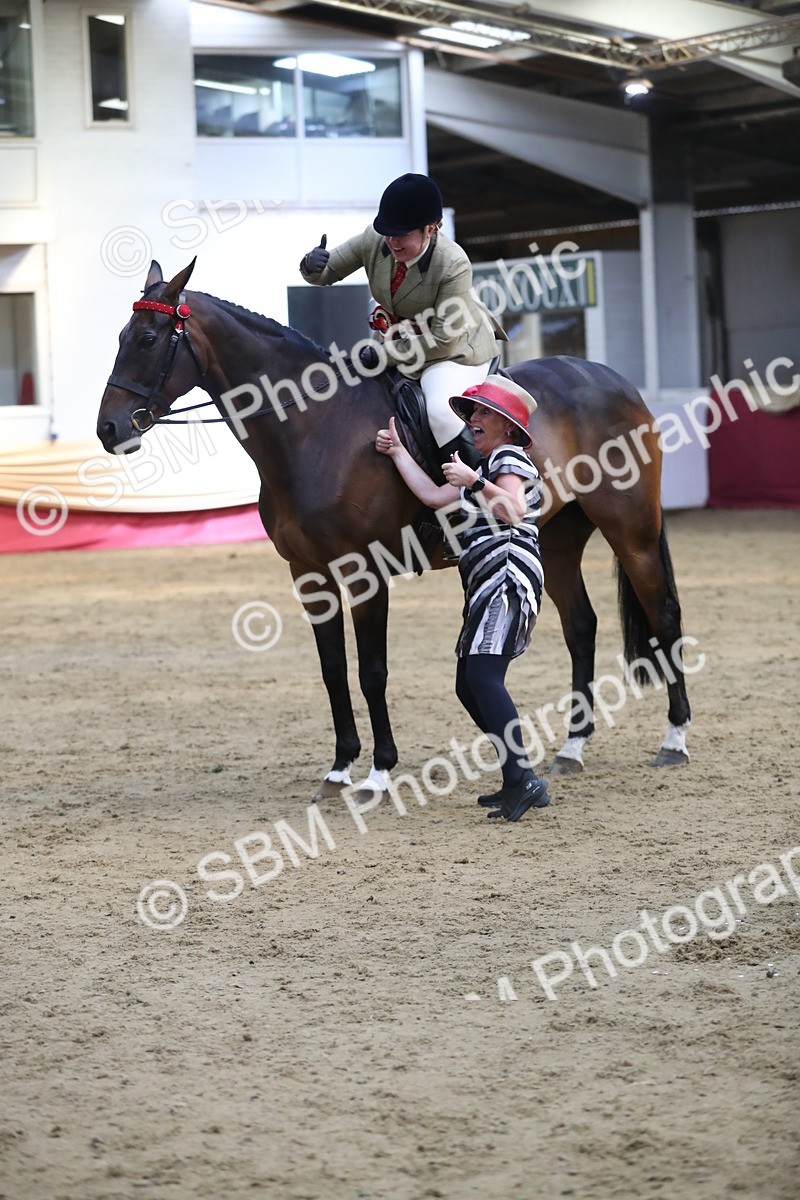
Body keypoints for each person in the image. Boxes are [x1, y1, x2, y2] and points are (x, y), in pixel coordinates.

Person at [375, 375, 549, 822]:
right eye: (472, 412)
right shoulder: (490, 464)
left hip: (506, 577)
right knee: (468, 682)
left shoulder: (508, 457)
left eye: (483, 412)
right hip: (487, 581)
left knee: (484, 679)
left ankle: (522, 777)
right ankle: (518, 777)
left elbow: (513, 511)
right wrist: (398, 453)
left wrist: (473, 482)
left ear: (509, 427)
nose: (473, 419)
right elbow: (434, 496)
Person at [300, 172, 506, 466]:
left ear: (430, 229)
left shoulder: (453, 263)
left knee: (440, 412)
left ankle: (474, 491)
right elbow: (327, 271)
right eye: (389, 232)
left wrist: (383, 354)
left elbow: (443, 341)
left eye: (403, 234)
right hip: (396, 342)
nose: (392, 242)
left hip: (453, 352)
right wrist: (312, 265)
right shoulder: (376, 238)